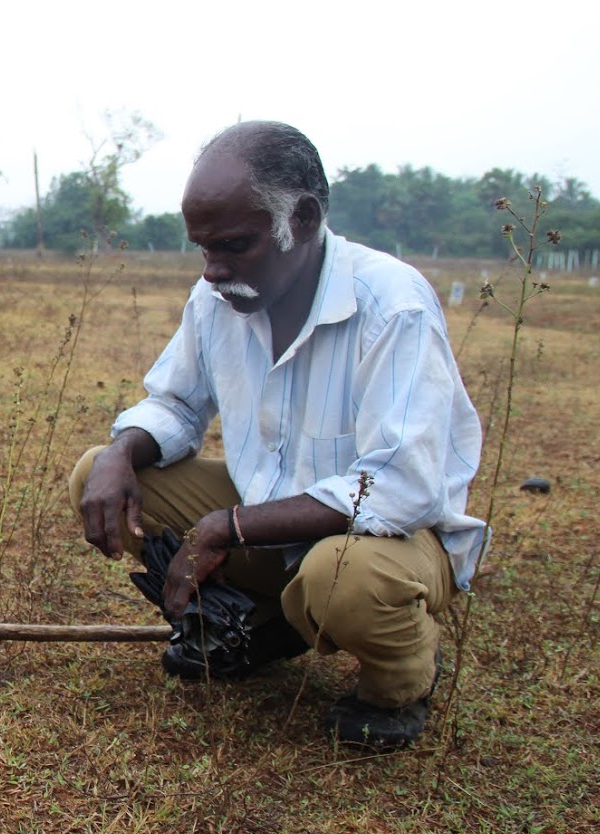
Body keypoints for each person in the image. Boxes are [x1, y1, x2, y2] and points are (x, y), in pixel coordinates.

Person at [71, 121, 485, 751]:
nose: (213, 270)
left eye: (234, 245)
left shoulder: (392, 305)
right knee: (103, 473)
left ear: (306, 217)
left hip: (388, 541)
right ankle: (265, 625)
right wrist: (122, 452)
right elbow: (178, 405)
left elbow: (398, 486)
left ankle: (399, 683)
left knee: (341, 577)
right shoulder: (217, 299)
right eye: (203, 249)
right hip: (267, 519)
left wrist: (228, 528)